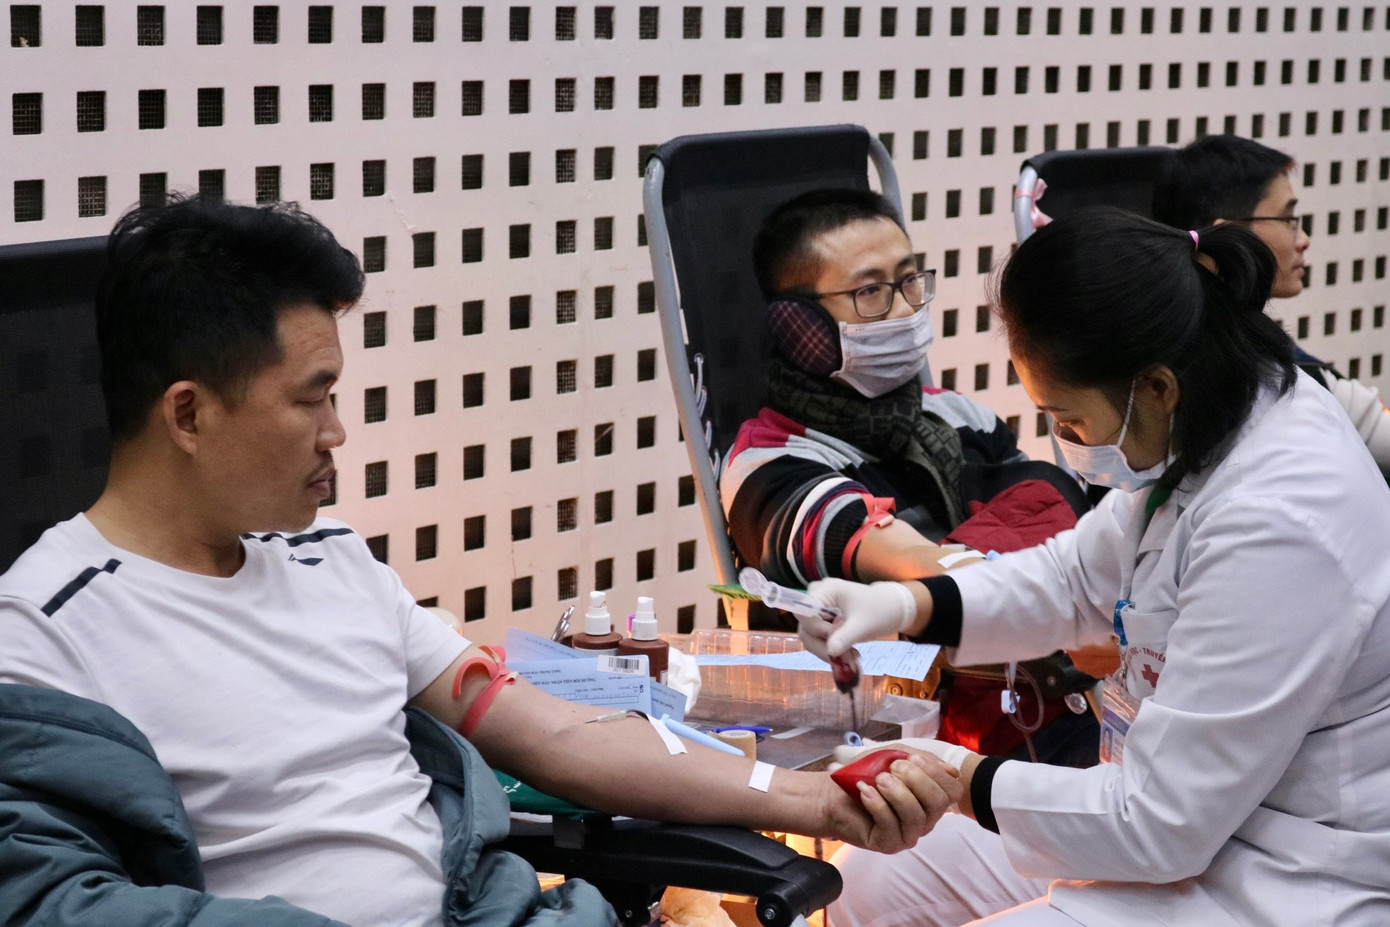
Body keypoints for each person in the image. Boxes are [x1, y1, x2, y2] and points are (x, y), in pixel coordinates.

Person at [0, 196, 963, 927]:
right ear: (188, 413)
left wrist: (814, 799)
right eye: (311, 397)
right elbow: (58, 903)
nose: (337, 432)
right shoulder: (42, 631)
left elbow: (557, 735)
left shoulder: (330, 561)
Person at [798, 207, 1390, 925]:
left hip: (1283, 875)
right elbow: (1074, 578)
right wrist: (909, 605)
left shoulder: (1282, 520)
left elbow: (1160, 824)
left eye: (1070, 420)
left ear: (1158, 388)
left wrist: (958, 776)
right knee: (871, 880)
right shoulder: (1208, 417)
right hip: (1184, 820)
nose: (1063, 441)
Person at [720, 188, 1099, 765]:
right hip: (903, 743)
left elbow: (1057, 515)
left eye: (909, 281)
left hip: (1050, 698)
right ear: (800, 326)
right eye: (870, 292)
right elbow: (918, 564)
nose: (904, 310)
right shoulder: (768, 465)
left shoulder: (956, 414)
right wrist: (1033, 574)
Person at [1152, 133, 1390, 478]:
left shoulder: (1158, 349)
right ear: (1230, 235)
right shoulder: (1264, 373)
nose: (1304, 240)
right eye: (1289, 220)